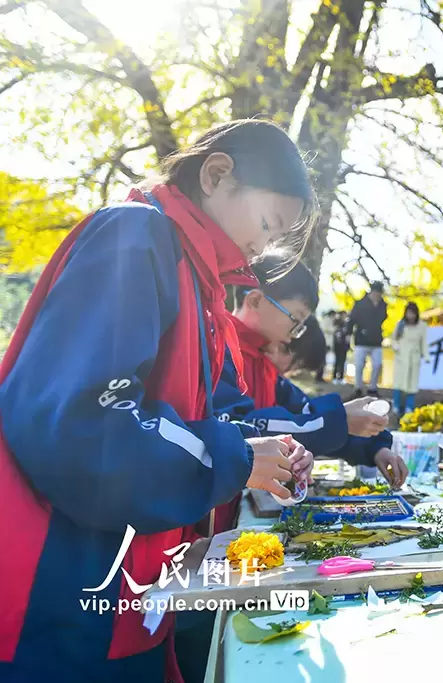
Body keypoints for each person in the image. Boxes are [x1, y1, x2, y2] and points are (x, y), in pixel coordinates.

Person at [0, 120, 316, 682]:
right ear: (217, 174)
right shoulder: (136, 236)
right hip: (61, 597)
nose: (262, 249)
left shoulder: (196, 277)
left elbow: (179, 420)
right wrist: (234, 457)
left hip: (130, 594)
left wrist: (251, 447)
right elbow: (81, 420)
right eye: (268, 225)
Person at [215, 254, 408, 497]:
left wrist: (373, 446)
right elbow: (244, 426)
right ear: (255, 300)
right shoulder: (220, 351)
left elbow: (303, 412)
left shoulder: (263, 363)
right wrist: (339, 420)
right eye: (295, 319)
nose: (293, 336)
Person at [348, 282, 388, 396]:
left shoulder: (382, 305)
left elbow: (383, 317)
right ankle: (358, 387)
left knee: (377, 364)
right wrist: (349, 333)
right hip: (361, 339)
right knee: (359, 364)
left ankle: (373, 387)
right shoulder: (360, 304)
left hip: (376, 340)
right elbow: (352, 319)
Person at [390, 302, 429, 417]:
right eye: (408, 313)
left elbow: (424, 342)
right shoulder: (400, 324)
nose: (410, 316)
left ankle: (409, 407)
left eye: (412, 313)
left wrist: (426, 356)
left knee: (412, 384)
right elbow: (394, 339)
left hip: (414, 357)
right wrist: (396, 348)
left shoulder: (422, 326)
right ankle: (396, 405)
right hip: (401, 357)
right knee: (398, 382)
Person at [332, 310, 350, 384]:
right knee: (337, 361)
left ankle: (341, 377)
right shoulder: (337, 322)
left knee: (343, 361)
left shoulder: (347, 324)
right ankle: (334, 377)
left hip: (344, 345)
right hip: (337, 344)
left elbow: (349, 335)